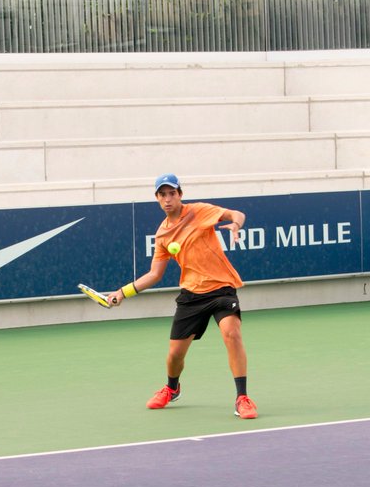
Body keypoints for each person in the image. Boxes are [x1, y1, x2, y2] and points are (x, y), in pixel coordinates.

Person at [108, 173, 258, 419]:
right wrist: (122, 293)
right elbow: (155, 274)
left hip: (221, 287)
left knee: (232, 333)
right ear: (157, 198)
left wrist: (236, 225)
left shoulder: (199, 211)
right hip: (191, 295)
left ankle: (242, 397)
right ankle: (172, 387)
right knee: (175, 355)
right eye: (162, 194)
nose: (168, 199)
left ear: (180, 194)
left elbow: (235, 214)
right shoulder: (163, 235)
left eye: (172, 193)